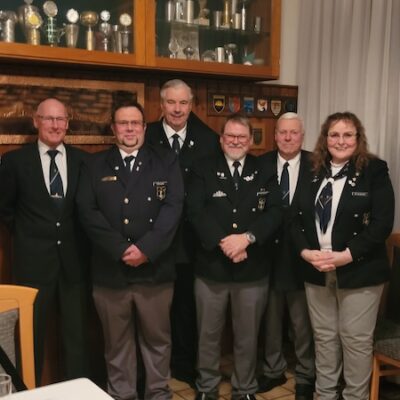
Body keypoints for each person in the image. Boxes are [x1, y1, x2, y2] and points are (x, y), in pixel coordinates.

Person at [77, 100, 184, 400]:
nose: (129, 129)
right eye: (123, 123)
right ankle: (122, 395)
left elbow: (173, 208)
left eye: (135, 123)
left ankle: (158, 394)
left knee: (158, 342)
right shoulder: (94, 164)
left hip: (155, 270)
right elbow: (87, 211)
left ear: (144, 128)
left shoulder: (166, 161)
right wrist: (122, 250)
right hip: (111, 271)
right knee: (117, 344)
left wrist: (146, 249)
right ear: (113, 128)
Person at [291, 111, 394, 400]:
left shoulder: (374, 170)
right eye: (334, 134)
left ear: (358, 138)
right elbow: (293, 219)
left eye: (348, 135)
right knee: (324, 338)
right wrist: (305, 252)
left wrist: (346, 256)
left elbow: (382, 224)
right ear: (325, 139)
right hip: (316, 269)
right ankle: (324, 395)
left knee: (355, 340)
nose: (341, 140)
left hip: (360, 270)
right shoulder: (312, 169)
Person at [186, 113, 283, 400]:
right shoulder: (203, 168)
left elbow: (275, 211)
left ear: (251, 140)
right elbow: (195, 211)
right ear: (221, 139)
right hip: (211, 268)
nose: (235, 141)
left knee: (247, 336)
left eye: (242, 137)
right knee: (208, 334)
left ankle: (245, 388)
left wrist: (246, 239)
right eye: (230, 136)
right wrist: (225, 242)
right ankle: (207, 387)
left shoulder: (265, 169)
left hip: (252, 268)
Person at [0, 98, 89, 384]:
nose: (55, 125)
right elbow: (5, 209)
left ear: (67, 123)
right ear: (36, 121)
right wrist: (30, 233)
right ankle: (28, 390)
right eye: (49, 118)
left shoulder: (83, 160)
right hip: (33, 264)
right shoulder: (14, 161)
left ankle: (78, 391)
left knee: (76, 336)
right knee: (31, 335)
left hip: (74, 262)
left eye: (60, 119)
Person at [146, 79, 220, 383]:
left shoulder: (209, 139)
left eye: (183, 103)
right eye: (171, 102)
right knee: (154, 308)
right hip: (152, 237)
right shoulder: (146, 135)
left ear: (192, 105)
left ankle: (185, 365)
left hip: (192, 240)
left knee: (188, 307)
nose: (177, 109)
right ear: (161, 105)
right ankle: (154, 371)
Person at [258, 113, 315, 399]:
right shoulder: (260, 164)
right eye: (283, 132)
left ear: (302, 136)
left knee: (302, 322)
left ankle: (306, 374)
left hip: (303, 257)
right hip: (267, 255)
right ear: (275, 135)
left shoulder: (318, 164)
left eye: (294, 132)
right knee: (270, 319)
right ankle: (273, 370)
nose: (288, 137)